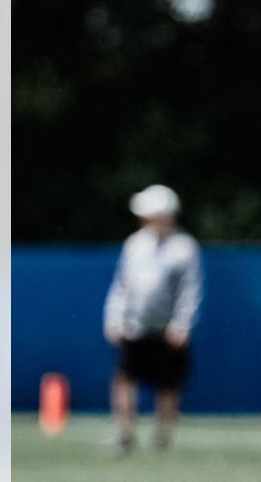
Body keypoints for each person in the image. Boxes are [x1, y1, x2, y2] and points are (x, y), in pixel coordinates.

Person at [102, 183, 203, 455]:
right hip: (135, 325)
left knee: (168, 383)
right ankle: (124, 435)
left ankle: (162, 436)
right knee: (124, 378)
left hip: (166, 328)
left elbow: (190, 290)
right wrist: (114, 318)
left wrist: (181, 324)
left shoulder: (184, 248)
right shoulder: (135, 244)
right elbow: (122, 285)